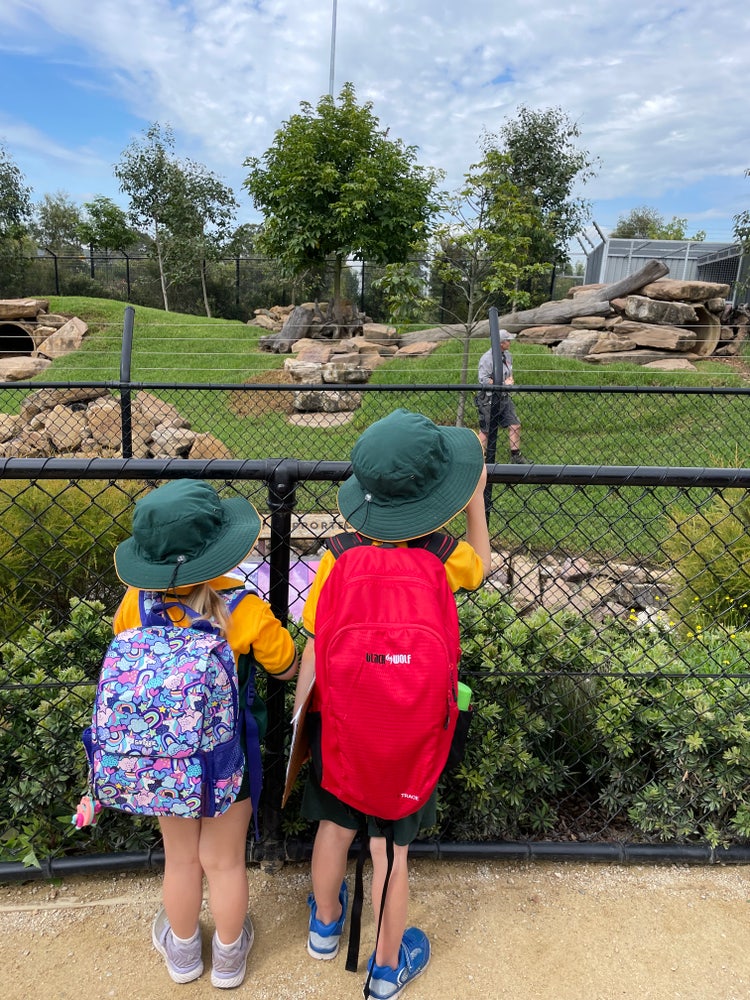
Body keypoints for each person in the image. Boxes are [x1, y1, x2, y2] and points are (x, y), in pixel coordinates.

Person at [293, 408, 491, 999]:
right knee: (390, 853)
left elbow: (314, 632)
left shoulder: (337, 553)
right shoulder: (442, 554)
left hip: (342, 723)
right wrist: (477, 500)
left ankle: (325, 926)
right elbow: (481, 569)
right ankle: (384, 971)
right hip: (409, 729)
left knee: (334, 825)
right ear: (435, 498)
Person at [112, 479, 298, 988]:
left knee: (181, 860)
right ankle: (231, 958)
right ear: (220, 548)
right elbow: (285, 666)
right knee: (224, 862)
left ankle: (185, 955)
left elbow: (125, 647)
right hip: (226, 759)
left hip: (164, 756)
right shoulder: (245, 609)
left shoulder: (137, 602)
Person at [475, 331, 531, 463]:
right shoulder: (487, 358)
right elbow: (483, 380)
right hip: (488, 399)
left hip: (504, 397)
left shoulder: (507, 355)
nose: (510, 342)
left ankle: (515, 456)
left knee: (515, 425)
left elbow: (509, 374)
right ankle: (478, 458)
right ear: (500, 343)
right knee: (486, 430)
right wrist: (502, 384)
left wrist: (509, 380)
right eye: (508, 340)